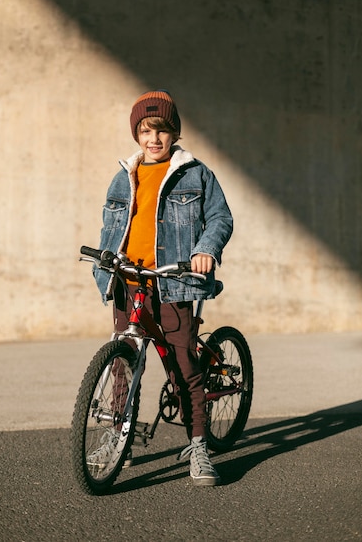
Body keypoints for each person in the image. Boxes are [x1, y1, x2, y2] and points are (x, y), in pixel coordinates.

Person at [92, 90, 233, 486]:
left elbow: (220, 218)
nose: (154, 138)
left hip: (172, 281)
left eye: (162, 130)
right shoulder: (123, 175)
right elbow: (112, 228)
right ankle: (120, 439)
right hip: (128, 281)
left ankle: (199, 445)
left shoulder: (196, 173)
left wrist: (206, 249)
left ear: (174, 133)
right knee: (124, 364)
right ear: (136, 133)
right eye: (145, 129)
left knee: (184, 367)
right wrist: (105, 261)